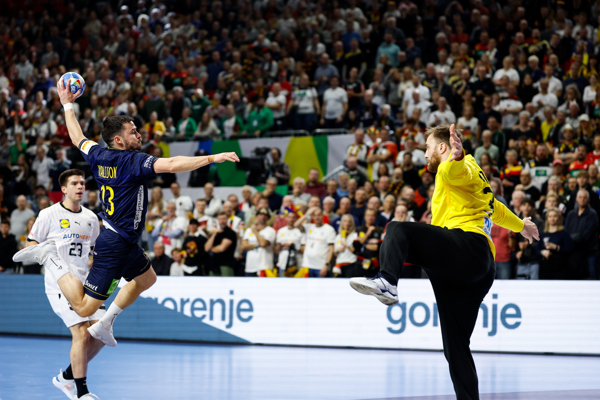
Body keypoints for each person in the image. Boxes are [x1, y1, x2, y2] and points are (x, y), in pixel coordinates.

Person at [14, 81, 239, 352]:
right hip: (114, 243)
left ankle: (106, 322)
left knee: (147, 279)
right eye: (133, 132)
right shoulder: (133, 161)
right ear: (119, 140)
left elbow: (76, 137)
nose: (139, 135)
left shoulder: (98, 154)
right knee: (84, 307)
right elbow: (171, 164)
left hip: (126, 238)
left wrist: (67, 104)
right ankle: (50, 257)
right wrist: (212, 158)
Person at [349, 124, 539, 400]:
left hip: (464, 248)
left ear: (442, 147)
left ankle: (387, 281)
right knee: (456, 347)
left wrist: (457, 157)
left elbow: (456, 171)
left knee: (397, 229)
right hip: (478, 267)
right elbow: (494, 207)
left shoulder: (454, 166)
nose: (425, 154)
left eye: (427, 147)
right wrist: (521, 225)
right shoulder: (477, 177)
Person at [21, 169, 103, 399]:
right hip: (60, 284)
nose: (80, 186)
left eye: (82, 183)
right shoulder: (48, 214)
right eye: (75, 183)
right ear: (64, 189)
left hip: (87, 283)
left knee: (100, 334)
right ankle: (81, 392)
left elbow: (95, 250)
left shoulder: (91, 218)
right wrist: (47, 254)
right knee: (81, 332)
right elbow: (30, 246)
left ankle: (66, 377)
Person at [565, 190, 599, 279]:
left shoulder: (592, 214)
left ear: (588, 199)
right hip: (573, 252)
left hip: (589, 252)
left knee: (592, 276)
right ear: (576, 199)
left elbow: (588, 234)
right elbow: (566, 231)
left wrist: (572, 238)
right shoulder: (571, 214)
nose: (582, 199)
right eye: (580, 197)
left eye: (585, 197)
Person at [537, 208, 573, 279]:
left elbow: (569, 249)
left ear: (559, 218)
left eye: (555, 216)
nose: (552, 219)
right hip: (545, 268)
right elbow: (537, 249)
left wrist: (556, 247)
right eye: (550, 216)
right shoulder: (543, 234)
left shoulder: (564, 233)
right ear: (547, 218)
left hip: (560, 267)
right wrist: (542, 252)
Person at [300, 208, 336, 277]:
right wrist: (307, 214)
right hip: (308, 265)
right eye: (315, 215)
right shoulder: (309, 227)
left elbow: (331, 249)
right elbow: (296, 225)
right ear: (312, 217)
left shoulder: (329, 229)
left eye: (319, 215)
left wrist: (326, 265)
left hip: (321, 266)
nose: (317, 217)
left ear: (323, 216)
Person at [241, 208, 276, 276]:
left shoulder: (270, 230)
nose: (262, 217)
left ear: (268, 218)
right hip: (250, 267)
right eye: (260, 214)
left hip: (265, 267)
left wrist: (255, 231)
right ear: (256, 216)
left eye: (265, 215)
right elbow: (243, 246)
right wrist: (257, 245)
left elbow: (263, 244)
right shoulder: (249, 230)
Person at [204, 211, 237, 276]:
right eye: (220, 219)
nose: (222, 221)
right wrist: (214, 234)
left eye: (224, 219)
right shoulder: (215, 233)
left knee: (227, 282)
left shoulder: (230, 232)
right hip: (213, 265)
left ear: (227, 219)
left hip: (226, 265)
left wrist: (211, 249)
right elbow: (206, 248)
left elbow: (222, 248)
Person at [275, 209, 304, 277]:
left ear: (296, 219)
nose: (291, 219)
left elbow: (303, 249)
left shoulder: (300, 231)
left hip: (296, 265)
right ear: (286, 218)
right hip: (283, 264)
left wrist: (292, 246)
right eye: (289, 217)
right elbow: (276, 250)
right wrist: (279, 246)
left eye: (293, 217)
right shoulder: (281, 231)